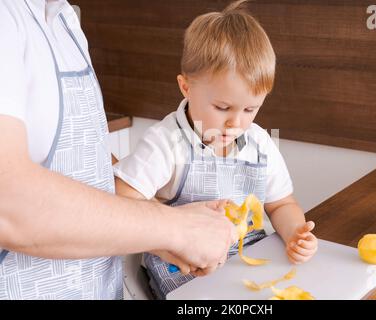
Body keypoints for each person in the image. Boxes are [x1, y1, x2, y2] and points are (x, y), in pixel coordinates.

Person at [0, 0, 237, 300]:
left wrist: (159, 223)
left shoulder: (64, 21)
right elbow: (8, 203)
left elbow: (88, 158)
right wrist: (175, 228)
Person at [114, 0, 318, 299]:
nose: (236, 122)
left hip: (248, 264)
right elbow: (121, 198)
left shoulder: (259, 142)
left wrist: (295, 235)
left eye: (250, 109)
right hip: (186, 273)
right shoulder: (166, 142)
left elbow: (281, 204)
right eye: (222, 107)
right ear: (186, 87)